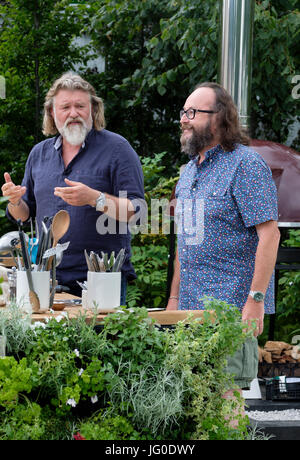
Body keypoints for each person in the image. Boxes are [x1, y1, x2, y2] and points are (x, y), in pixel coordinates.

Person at [166, 82, 280, 398]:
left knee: (224, 401)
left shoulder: (246, 164)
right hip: (190, 311)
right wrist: (174, 300)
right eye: (183, 112)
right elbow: (185, 244)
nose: (183, 119)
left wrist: (255, 301)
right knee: (193, 401)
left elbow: (270, 235)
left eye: (192, 112)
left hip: (230, 312)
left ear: (218, 118)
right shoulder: (188, 172)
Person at [1, 73, 145, 301]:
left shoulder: (118, 149)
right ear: (52, 112)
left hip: (101, 279)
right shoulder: (39, 153)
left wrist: (95, 198)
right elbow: (26, 216)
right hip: (46, 278)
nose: (73, 113)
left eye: (80, 106)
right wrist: (16, 201)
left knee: (101, 338)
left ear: (93, 109)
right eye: (65, 107)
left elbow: (138, 213)